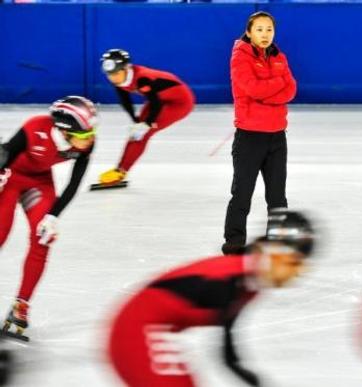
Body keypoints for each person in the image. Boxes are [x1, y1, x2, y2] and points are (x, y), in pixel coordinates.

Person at [108, 209, 315, 387]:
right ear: (270, 252)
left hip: (149, 330)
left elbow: (228, 350)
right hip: (137, 330)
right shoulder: (231, 279)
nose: (295, 273)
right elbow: (225, 351)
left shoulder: (249, 282)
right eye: (292, 263)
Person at [0, 96, 98, 340]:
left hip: (40, 183)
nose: (89, 141)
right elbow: (5, 153)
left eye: (91, 134)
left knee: (43, 237)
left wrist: (53, 215)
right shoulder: (36, 126)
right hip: (11, 178)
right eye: (84, 136)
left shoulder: (86, 143)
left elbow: (74, 183)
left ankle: (21, 305)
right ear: (64, 132)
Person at [223, 11, 297, 255]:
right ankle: (234, 241)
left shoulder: (279, 56)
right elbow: (253, 89)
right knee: (242, 193)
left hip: (277, 136)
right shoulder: (239, 57)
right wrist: (277, 85)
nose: (265, 34)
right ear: (249, 32)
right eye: (260, 29)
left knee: (277, 196)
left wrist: (271, 91)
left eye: (269, 30)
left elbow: (292, 90)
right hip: (249, 137)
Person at [97, 49, 195, 187]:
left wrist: (147, 123)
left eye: (116, 74)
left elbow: (156, 103)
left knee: (141, 134)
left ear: (126, 68)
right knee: (135, 133)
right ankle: (119, 169)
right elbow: (125, 100)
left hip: (179, 103)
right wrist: (135, 119)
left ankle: (121, 171)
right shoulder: (120, 77)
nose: (113, 78)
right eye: (109, 75)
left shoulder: (142, 78)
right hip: (160, 100)